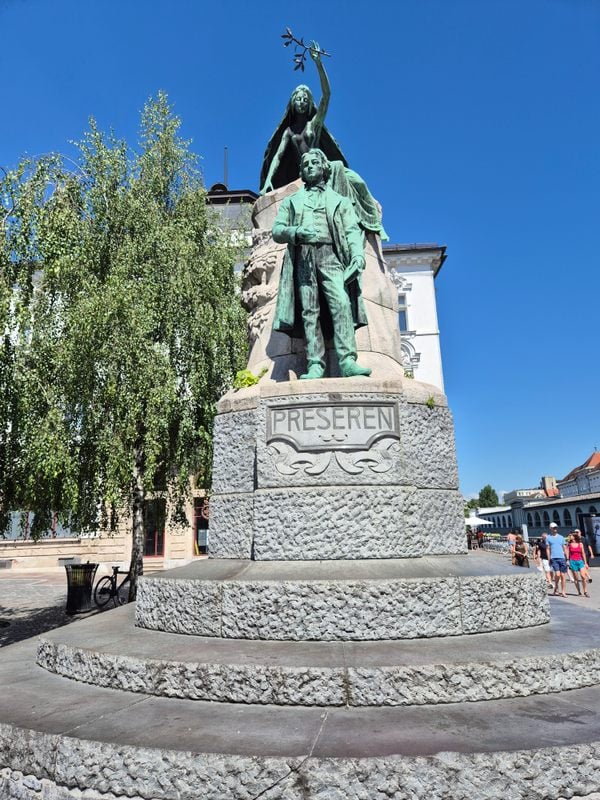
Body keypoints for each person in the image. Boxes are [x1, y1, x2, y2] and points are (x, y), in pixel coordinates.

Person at [259, 43, 387, 239]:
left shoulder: (314, 124)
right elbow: (277, 157)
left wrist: (318, 64)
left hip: (325, 167)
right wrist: (268, 181)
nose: (301, 102)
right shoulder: (289, 131)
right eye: (298, 99)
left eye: (304, 99)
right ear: (292, 103)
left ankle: (373, 221)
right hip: (305, 170)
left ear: (309, 102)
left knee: (356, 180)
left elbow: (327, 95)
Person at [272, 149, 372, 380]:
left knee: (342, 304)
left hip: (331, 258)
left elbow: (352, 231)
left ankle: (347, 361)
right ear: (301, 172)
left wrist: (358, 257)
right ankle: (315, 363)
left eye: (315, 162)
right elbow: (277, 231)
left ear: (324, 168)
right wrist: (296, 232)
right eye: (305, 164)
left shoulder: (340, 201)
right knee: (309, 311)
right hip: (304, 259)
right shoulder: (291, 201)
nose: (309, 166)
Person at [547, 522, 569, 597]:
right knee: (557, 574)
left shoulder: (561, 537)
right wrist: (549, 558)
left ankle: (563, 591)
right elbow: (548, 549)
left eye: (556, 527)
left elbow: (565, 548)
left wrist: (567, 558)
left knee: (563, 575)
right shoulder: (548, 537)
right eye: (553, 528)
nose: (555, 529)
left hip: (562, 558)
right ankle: (556, 587)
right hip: (554, 558)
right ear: (550, 528)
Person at [568, 531, 590, 597]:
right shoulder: (569, 544)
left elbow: (583, 553)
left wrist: (585, 563)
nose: (570, 537)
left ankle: (585, 591)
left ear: (574, 537)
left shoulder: (580, 544)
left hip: (580, 561)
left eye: (571, 536)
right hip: (572, 561)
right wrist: (568, 561)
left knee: (583, 577)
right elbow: (568, 553)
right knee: (576, 578)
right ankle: (579, 591)